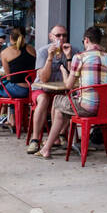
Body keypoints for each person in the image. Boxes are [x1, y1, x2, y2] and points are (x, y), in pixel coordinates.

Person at [38, 26, 107, 160]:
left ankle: (49, 146)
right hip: (105, 109)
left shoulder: (80, 57)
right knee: (66, 104)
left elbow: (68, 85)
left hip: (87, 107)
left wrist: (64, 72)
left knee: (58, 102)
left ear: (87, 40)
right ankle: (59, 140)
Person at [26, 24, 74, 154]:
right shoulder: (43, 51)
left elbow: (72, 77)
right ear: (51, 37)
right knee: (44, 99)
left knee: (68, 99)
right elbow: (43, 78)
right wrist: (50, 57)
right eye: (58, 35)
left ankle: (59, 136)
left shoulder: (72, 50)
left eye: (64, 35)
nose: (61, 38)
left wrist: (69, 57)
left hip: (60, 90)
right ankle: (35, 139)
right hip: (42, 88)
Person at [0, 26, 35, 137]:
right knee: (8, 87)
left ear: (10, 38)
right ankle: (12, 119)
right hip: (31, 90)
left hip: (18, 90)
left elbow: (9, 76)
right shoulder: (32, 49)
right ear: (25, 37)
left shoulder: (5, 52)